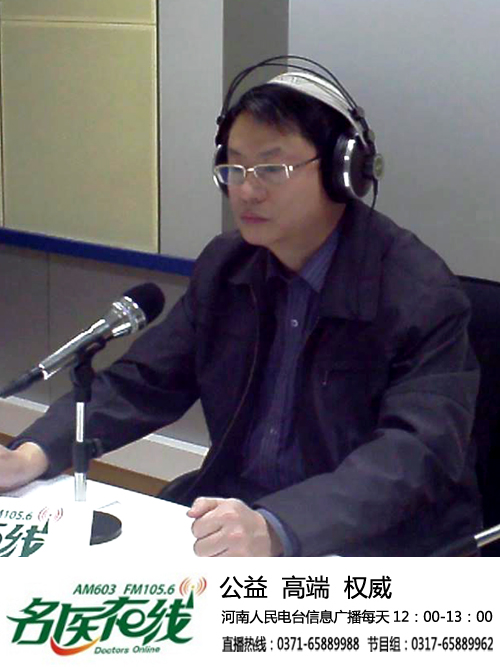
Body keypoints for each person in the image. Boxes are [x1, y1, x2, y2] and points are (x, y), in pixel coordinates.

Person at [0, 56, 482, 556]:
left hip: (370, 544)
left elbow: (414, 453)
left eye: (272, 169)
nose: (246, 190)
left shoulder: (419, 292)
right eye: (234, 168)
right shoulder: (228, 267)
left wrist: (278, 526)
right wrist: (33, 453)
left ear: (342, 170)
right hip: (237, 515)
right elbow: (144, 381)